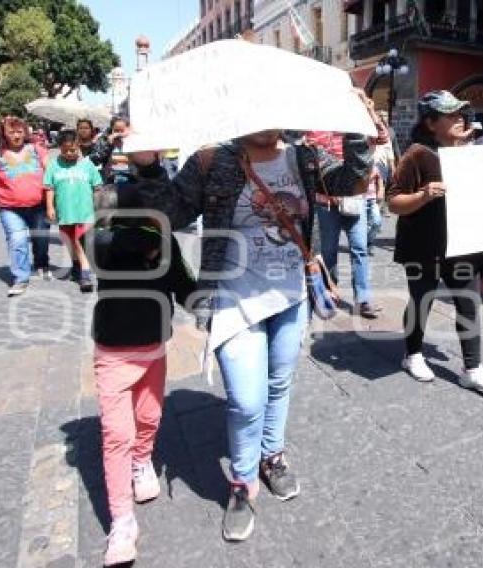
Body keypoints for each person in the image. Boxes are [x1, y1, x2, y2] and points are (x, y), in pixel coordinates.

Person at [127, 89, 378, 542]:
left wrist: (358, 133)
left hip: (292, 294)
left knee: (279, 383)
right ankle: (242, 483)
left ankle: (272, 456)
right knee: (246, 399)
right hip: (233, 297)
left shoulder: (304, 156)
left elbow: (350, 185)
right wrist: (147, 167)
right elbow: (168, 213)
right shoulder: (211, 161)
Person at [90, 181, 196, 566]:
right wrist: (151, 236)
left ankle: (142, 461)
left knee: (149, 417)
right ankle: (122, 523)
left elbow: (184, 284)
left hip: (153, 346)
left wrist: (208, 305)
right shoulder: (101, 238)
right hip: (112, 352)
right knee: (116, 433)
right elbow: (107, 248)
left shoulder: (162, 239)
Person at [387, 90, 483, 394]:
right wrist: (424, 194)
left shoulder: (469, 153)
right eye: (451, 114)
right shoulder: (417, 154)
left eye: (461, 113)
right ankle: (412, 355)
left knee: (468, 302)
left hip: (464, 243)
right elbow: (394, 202)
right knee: (421, 300)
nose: (459, 118)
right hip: (422, 244)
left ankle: (472, 368)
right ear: (431, 122)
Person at [307, 122, 387, 319]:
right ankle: (330, 291)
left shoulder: (355, 126)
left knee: (359, 248)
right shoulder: (315, 130)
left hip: (354, 199)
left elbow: (382, 137)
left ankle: (363, 299)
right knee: (328, 250)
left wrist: (369, 114)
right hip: (326, 201)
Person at [0, 116, 51, 297]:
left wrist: (54, 201)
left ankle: (41, 263)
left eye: (20, 131)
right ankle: (21, 277)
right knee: (17, 240)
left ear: (25, 132)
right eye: (12, 132)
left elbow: (51, 175)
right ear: (4, 134)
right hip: (10, 208)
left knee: (41, 239)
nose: (16, 136)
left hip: (39, 205)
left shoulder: (37, 150)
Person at [45, 129, 103, 292]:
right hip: (65, 211)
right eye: (65, 151)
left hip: (85, 211)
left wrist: (99, 208)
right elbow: (49, 188)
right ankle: (76, 265)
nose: (69, 154)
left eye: (73, 150)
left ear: (79, 146)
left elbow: (97, 187)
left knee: (79, 240)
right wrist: (50, 206)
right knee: (69, 241)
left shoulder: (87, 164)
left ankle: (85, 275)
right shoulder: (54, 165)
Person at [89, 116, 131, 182]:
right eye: (116, 130)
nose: (118, 134)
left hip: (131, 181)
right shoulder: (104, 139)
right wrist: (108, 145)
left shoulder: (133, 141)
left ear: (128, 129)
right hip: (110, 181)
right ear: (112, 129)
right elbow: (95, 160)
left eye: (122, 130)